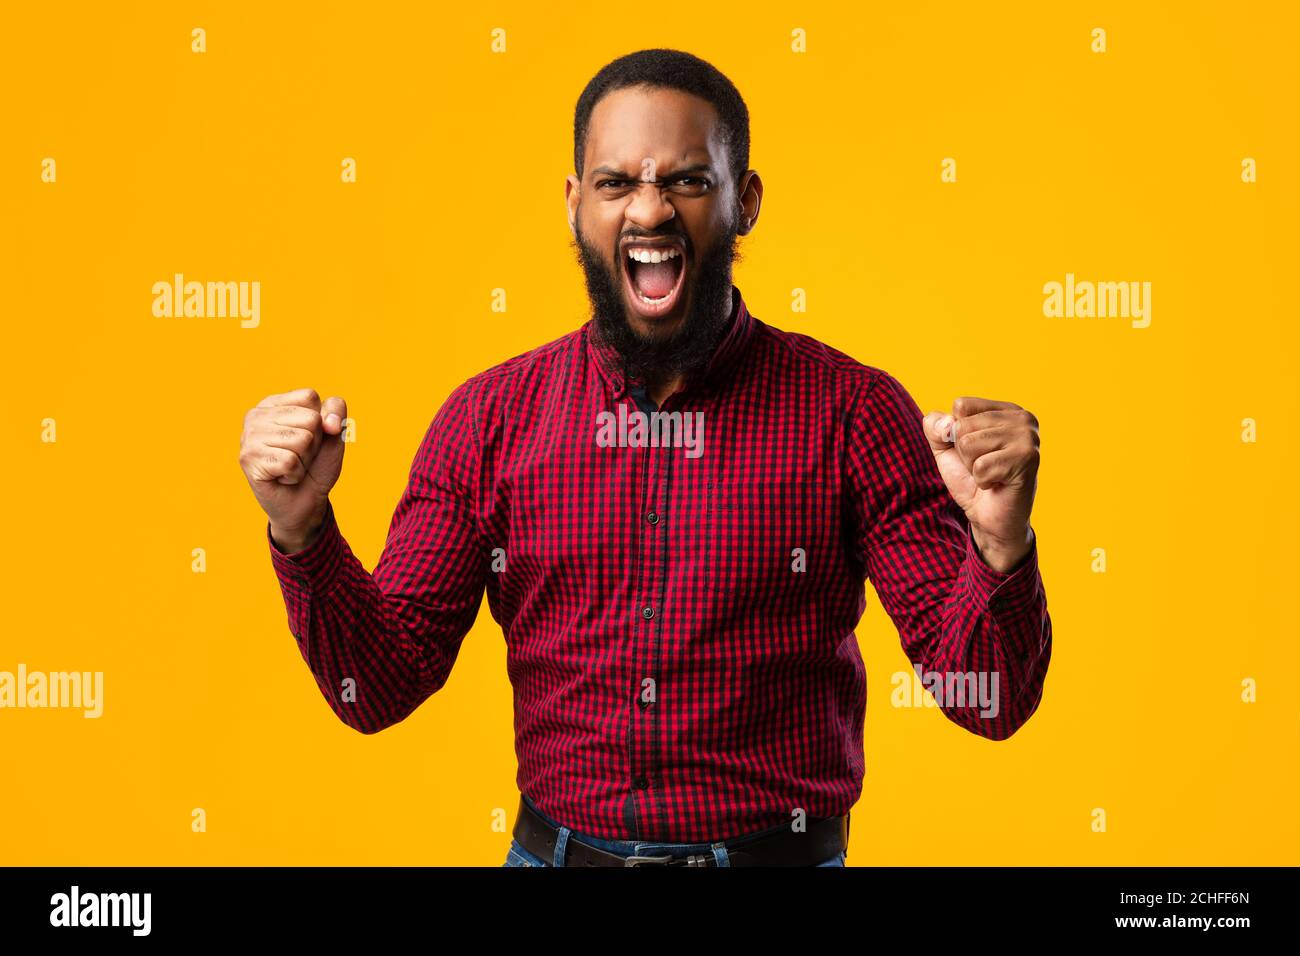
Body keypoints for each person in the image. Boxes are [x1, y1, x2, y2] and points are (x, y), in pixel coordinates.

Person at [238, 48, 1051, 868]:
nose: (650, 211)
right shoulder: (486, 422)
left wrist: (1000, 544)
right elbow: (378, 687)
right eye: (616, 182)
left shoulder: (853, 413)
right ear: (573, 204)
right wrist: (303, 532)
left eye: (690, 182)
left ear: (747, 201)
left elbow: (987, 699)